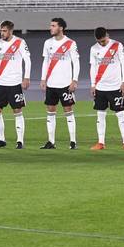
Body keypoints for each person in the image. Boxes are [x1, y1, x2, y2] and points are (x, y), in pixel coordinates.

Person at [89, 27, 124, 150]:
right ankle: (101, 142)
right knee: (100, 115)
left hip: (115, 86)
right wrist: (93, 84)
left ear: (107, 35)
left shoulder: (117, 45)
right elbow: (93, 67)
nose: (101, 43)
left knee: (120, 114)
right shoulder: (94, 49)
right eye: (99, 41)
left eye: (103, 41)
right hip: (100, 87)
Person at [40, 18, 80, 150]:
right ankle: (51, 142)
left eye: (53, 26)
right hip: (51, 84)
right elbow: (46, 62)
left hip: (65, 84)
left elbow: (76, 62)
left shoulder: (70, 43)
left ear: (61, 28)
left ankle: (73, 141)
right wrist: (43, 79)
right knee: (50, 111)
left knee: (68, 110)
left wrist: (74, 80)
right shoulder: (47, 43)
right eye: (50, 25)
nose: (50, 28)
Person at [0, 20, 31, 149]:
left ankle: (20, 141)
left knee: (17, 111)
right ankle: (1, 139)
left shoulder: (20, 42)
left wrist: (26, 78)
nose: (2, 33)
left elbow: (27, 60)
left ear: (11, 31)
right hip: (0, 82)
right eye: (1, 31)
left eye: (4, 31)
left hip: (15, 83)